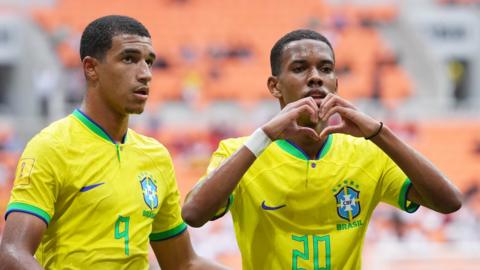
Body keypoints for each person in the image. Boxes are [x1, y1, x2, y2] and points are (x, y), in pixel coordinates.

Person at [181, 29, 463, 269]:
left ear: (336, 84)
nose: (315, 77)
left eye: (325, 69)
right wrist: (264, 135)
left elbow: (449, 201)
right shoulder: (241, 151)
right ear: (274, 86)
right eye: (300, 67)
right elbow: (194, 214)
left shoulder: (368, 153)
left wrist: (379, 132)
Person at [0, 15, 226, 270]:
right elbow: (12, 253)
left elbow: (182, 263)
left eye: (149, 62)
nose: (145, 74)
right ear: (91, 68)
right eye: (129, 59)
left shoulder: (156, 156)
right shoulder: (51, 147)